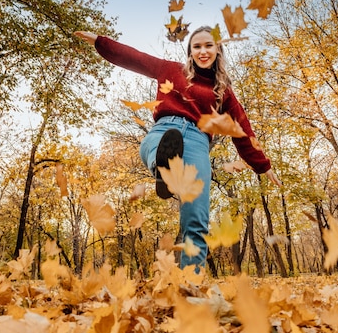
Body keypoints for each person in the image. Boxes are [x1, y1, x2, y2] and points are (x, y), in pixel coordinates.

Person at [74, 26, 282, 270]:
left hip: (197, 141)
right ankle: (165, 169)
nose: (203, 51)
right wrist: (101, 42)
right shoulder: (171, 69)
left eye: (208, 46)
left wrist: (263, 165)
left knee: (197, 216)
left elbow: (243, 130)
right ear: (190, 51)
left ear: (218, 50)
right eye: (197, 46)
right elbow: (135, 58)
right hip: (165, 130)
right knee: (153, 147)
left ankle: (191, 284)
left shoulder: (223, 91)